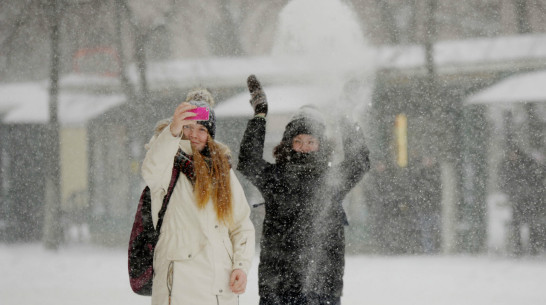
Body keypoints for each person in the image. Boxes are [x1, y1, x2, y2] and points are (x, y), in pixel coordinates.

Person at [237, 75, 370, 305]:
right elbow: (248, 161)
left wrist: (344, 115)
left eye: (311, 141)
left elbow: (359, 162)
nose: (304, 147)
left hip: (323, 285)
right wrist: (259, 115)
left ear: (321, 144)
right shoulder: (275, 178)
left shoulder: (332, 180)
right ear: (288, 143)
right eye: (298, 141)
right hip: (277, 287)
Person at [141, 89, 255, 305]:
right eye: (188, 127)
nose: (194, 134)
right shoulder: (166, 163)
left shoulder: (223, 170)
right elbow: (151, 170)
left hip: (220, 287)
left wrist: (240, 265)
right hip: (178, 287)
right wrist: (173, 131)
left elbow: (241, 225)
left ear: (210, 134)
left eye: (202, 129)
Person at [499, 146, 546, 255]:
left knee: (532, 223)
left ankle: (532, 246)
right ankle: (519, 247)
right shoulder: (513, 166)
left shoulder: (526, 165)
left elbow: (537, 179)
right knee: (518, 223)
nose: (512, 157)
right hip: (520, 200)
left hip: (529, 199)